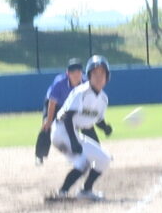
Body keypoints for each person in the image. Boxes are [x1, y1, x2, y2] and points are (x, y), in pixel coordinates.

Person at [49, 55, 114, 201]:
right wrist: (73, 141)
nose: (98, 77)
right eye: (95, 74)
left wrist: (105, 127)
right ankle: (62, 193)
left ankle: (86, 190)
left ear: (107, 77)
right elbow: (67, 117)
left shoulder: (103, 99)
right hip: (61, 131)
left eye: (102, 74)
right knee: (83, 161)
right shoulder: (81, 92)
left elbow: (96, 118)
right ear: (89, 76)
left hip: (73, 132)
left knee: (104, 159)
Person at [35, 59, 85, 165]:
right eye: (72, 71)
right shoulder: (59, 82)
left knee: (78, 127)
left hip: (71, 107)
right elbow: (52, 103)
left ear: (82, 72)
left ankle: (75, 155)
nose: (75, 74)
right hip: (55, 104)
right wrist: (49, 120)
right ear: (67, 73)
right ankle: (39, 156)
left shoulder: (85, 83)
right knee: (47, 126)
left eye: (78, 71)